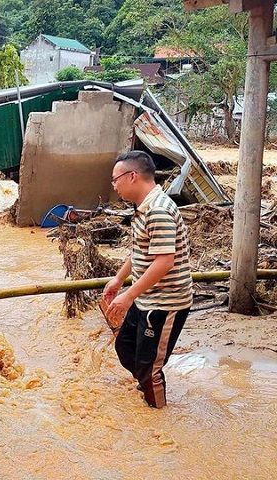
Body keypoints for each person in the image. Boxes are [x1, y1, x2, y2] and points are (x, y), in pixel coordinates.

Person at [102, 150, 193, 409]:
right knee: (125, 347)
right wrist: (119, 280)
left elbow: (164, 262)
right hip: (146, 296)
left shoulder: (158, 211)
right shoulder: (142, 208)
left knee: (149, 367)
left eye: (115, 179)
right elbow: (141, 251)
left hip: (165, 302)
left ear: (132, 176)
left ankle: (159, 419)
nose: (114, 185)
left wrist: (128, 295)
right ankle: (146, 386)